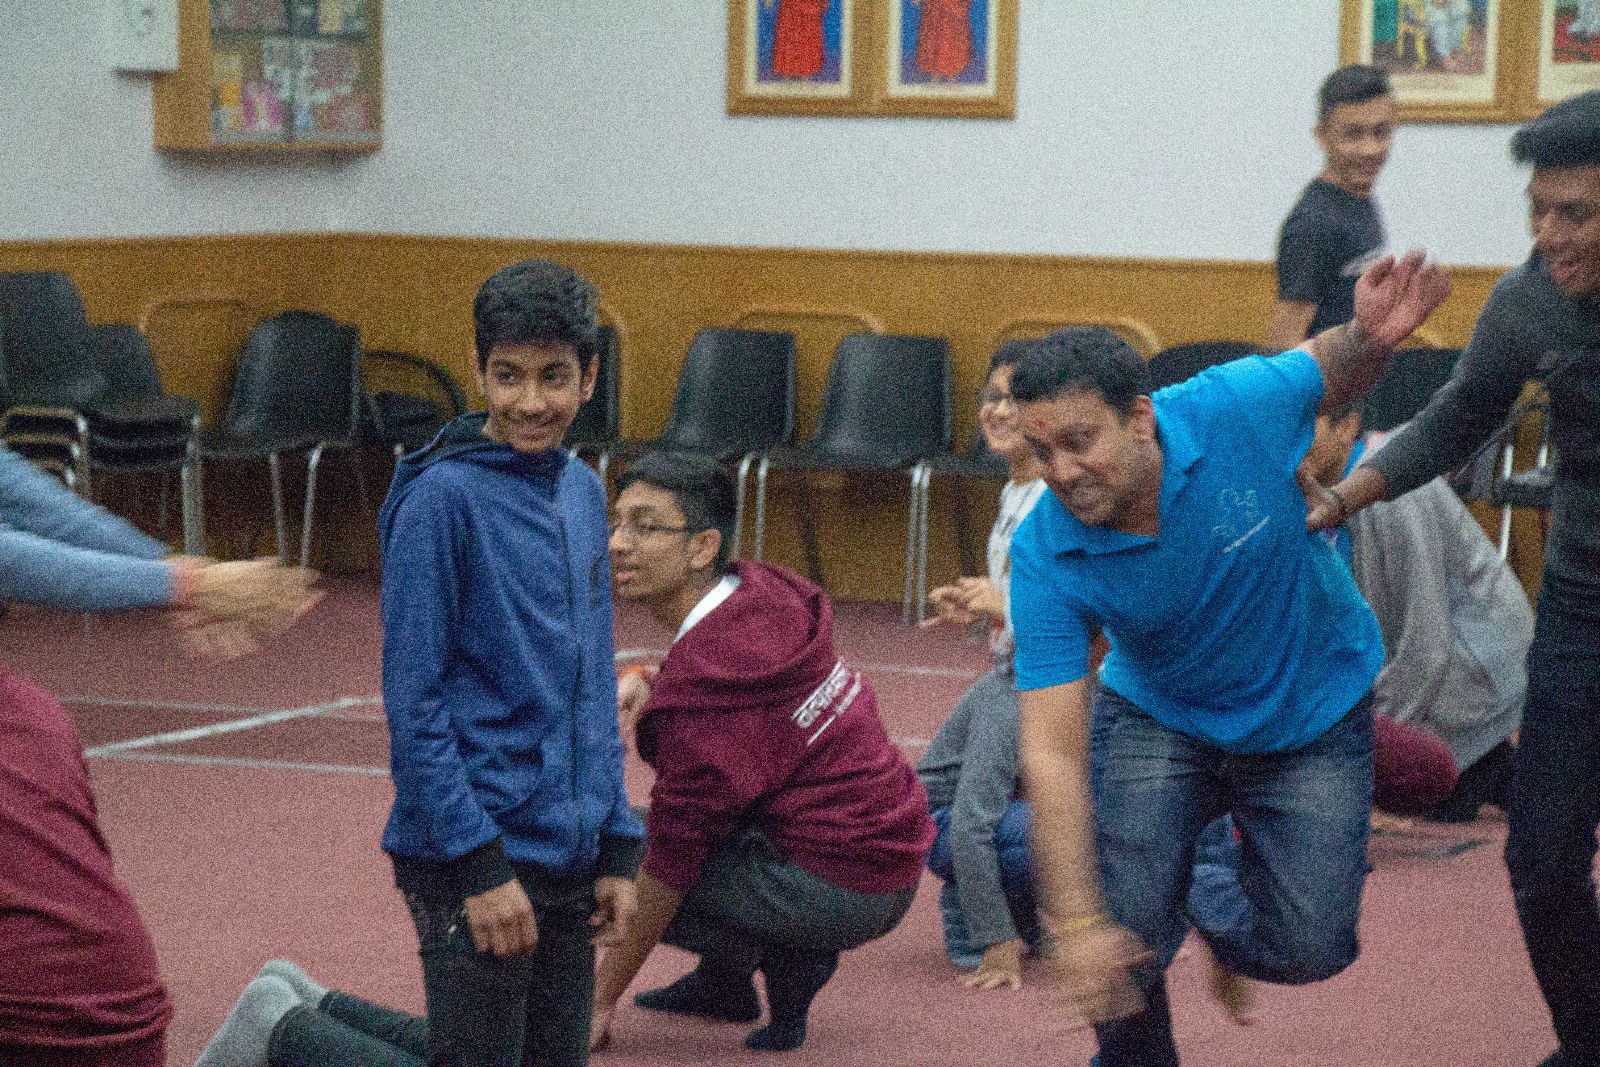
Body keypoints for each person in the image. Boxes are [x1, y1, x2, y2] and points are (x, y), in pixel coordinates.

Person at [1007, 251, 1449, 1067]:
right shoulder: (1044, 553)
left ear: (1140, 418)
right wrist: (1077, 924)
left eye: (1079, 441)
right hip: (1162, 716)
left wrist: (1370, 334)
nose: (1061, 472)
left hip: (1312, 709)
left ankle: (1212, 905)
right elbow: (1052, 752)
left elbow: (1332, 363)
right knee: (1120, 941)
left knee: (1312, 946)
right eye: (1042, 452)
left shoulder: (1230, 405)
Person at [198, 259, 644, 1067]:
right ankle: (282, 1035)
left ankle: (298, 1007)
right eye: (508, 375)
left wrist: (616, 840)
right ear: (478, 370)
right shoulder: (440, 501)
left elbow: (590, 684)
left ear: (589, 377)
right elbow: (415, 703)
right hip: (471, 847)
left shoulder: (582, 490)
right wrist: (477, 863)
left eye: (553, 376)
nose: (530, 400)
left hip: (569, 849)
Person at [1310, 92, 1600, 1067]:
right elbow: (1458, 416)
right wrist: (1344, 497)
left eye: (1576, 214)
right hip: (1582, 603)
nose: (1549, 234)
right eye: (1538, 210)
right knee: (1543, 860)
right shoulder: (1528, 302)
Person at [589, 451, 934, 1054]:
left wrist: (598, 999)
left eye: (645, 527)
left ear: (702, 547)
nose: (618, 543)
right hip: (890, 855)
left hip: (838, 888)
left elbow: (670, 862)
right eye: (616, 522)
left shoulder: (705, 693)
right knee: (727, 809)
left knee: (597, 852)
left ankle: (789, 953)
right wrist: (655, 678)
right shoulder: (766, 591)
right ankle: (725, 985)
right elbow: (742, 700)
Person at [0, 444, 318, 1067]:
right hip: (122, 1020)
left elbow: (23, 501)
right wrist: (180, 582)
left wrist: (175, 578)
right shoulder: (38, 714)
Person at [1304, 408, 1530, 821]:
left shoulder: (1390, 487)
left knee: (1427, 794)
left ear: (1348, 424)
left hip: (1470, 673)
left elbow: (1426, 641)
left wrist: (1378, 743)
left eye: (1308, 424)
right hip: (1422, 680)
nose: (1293, 440)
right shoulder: (1315, 488)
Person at [916, 340, 1046, 992]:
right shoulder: (1016, 489)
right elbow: (1015, 595)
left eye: (1014, 399)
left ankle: (994, 935)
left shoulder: (1054, 499)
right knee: (920, 793)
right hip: (1007, 671)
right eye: (990, 397)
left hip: (1037, 680)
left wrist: (1006, 605)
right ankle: (1006, 907)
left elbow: (1083, 617)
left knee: (971, 821)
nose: (996, 410)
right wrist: (979, 603)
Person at [1268, 65, 1395, 353]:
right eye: (1353, 135)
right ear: (1322, 136)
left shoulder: (1360, 197)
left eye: (1381, 132)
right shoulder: (1312, 222)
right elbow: (1284, 345)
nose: (1370, 149)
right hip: (1323, 381)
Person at [764, 0, 829, 80]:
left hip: (809, 8)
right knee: (789, 38)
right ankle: (788, 71)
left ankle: (805, 72)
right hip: (790, 8)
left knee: (807, 39)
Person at [912, 0, 973, 81]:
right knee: (933, 38)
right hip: (934, 8)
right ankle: (935, 72)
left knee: (951, 37)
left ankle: (951, 71)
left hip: (952, 8)